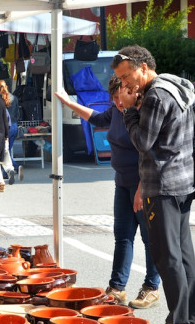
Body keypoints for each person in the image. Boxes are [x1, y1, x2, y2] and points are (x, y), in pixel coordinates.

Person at [111, 45, 195, 324]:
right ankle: (190, 319)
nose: (125, 84)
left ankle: (179, 322)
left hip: (163, 185)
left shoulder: (155, 95)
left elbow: (143, 142)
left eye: (127, 76)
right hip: (184, 183)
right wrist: (182, 145)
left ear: (143, 67)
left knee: (166, 256)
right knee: (183, 255)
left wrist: (129, 112)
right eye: (121, 80)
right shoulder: (175, 84)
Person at [55, 76, 161, 309]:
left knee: (150, 238)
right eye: (114, 98)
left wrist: (141, 190)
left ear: (133, 94)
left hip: (142, 185)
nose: (118, 102)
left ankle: (152, 287)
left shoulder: (142, 115)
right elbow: (94, 117)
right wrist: (68, 103)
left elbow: (149, 154)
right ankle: (117, 288)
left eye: (121, 97)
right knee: (122, 236)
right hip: (122, 183)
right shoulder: (114, 112)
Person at [0, 80, 24, 184]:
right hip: (14, 126)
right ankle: (5, 172)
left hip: (4, 127)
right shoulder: (14, 98)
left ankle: (15, 167)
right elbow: (17, 114)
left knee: (3, 152)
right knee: (6, 150)